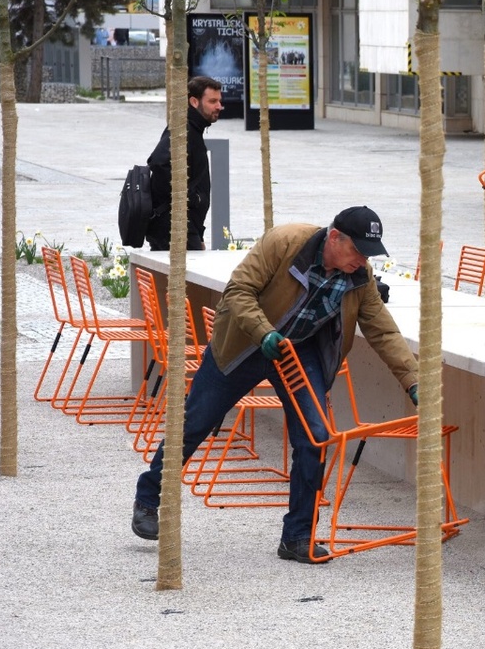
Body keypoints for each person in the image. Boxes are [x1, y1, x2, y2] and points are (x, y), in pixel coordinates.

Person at [130, 206, 420, 564]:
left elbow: (383, 330)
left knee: (315, 437)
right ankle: (148, 498)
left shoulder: (360, 277)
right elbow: (238, 292)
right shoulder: (285, 243)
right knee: (196, 423)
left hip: (299, 353)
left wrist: (414, 381)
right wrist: (263, 332)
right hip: (245, 342)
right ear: (334, 238)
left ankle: (297, 537)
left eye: (367, 254)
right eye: (357, 250)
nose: (362, 260)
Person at [146, 75, 224, 251]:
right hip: (175, 229)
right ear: (194, 102)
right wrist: (189, 198)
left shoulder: (193, 129)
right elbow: (159, 163)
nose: (219, 106)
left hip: (185, 228)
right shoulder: (183, 129)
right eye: (213, 101)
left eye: (219, 101)